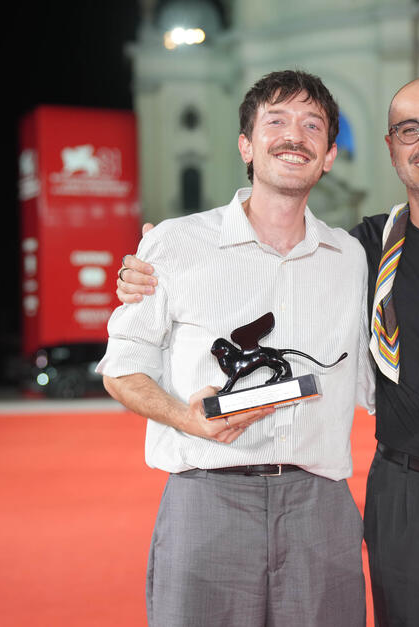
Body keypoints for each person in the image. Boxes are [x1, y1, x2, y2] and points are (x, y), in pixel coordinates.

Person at [117, 76, 419, 626]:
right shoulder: (359, 249)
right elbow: (127, 360)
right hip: (388, 499)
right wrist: (146, 269)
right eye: (410, 129)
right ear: (390, 147)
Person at [97, 70, 372, 627]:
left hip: (321, 510)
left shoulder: (351, 259)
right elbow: (121, 368)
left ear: (328, 156)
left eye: (311, 125)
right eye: (276, 121)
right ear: (247, 145)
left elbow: (381, 375)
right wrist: (185, 417)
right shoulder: (173, 243)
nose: (294, 135)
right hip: (207, 501)